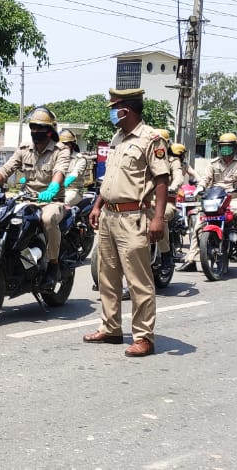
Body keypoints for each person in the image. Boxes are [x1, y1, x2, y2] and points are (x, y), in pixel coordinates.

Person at [82, 88, 169, 357]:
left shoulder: (151, 139)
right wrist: (97, 205)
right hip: (108, 214)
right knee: (107, 277)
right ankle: (111, 328)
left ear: (126, 109)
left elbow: (162, 179)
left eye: (114, 107)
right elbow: (109, 178)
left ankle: (143, 337)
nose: (111, 111)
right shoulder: (117, 137)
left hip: (133, 217)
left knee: (138, 280)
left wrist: (158, 218)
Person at [0, 107, 71, 286]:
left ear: (50, 131)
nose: (35, 131)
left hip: (51, 200)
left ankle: (53, 264)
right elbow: (6, 168)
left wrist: (51, 189)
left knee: (48, 219)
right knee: (2, 217)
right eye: (33, 127)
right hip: (26, 198)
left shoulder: (61, 151)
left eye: (40, 128)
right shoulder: (24, 148)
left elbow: (59, 171)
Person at [181, 132, 237, 271]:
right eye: (223, 147)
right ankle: (191, 259)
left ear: (235, 147)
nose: (225, 150)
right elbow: (205, 179)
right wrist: (199, 188)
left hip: (233, 197)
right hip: (215, 198)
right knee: (199, 223)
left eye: (228, 147)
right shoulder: (213, 163)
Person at [151, 129, 184, 278]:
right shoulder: (146, 158)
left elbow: (178, 177)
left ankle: (166, 256)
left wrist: (173, 187)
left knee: (161, 217)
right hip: (144, 200)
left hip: (166, 201)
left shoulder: (173, 160)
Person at [59, 129, 89, 206]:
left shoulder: (80, 159)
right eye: (61, 144)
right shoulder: (56, 158)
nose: (63, 146)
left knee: (61, 203)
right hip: (56, 190)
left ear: (72, 144)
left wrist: (63, 184)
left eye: (66, 144)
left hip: (73, 191)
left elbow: (74, 174)